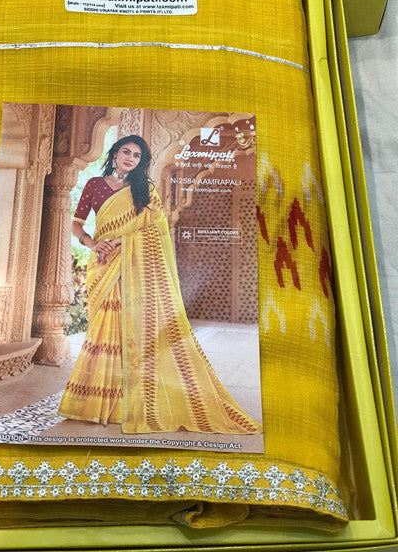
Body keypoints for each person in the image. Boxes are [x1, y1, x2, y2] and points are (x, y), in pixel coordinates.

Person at [58, 135, 262, 435]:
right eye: (126, 152)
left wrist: (120, 240)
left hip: (136, 266)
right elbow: (76, 222)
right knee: (104, 329)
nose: (130, 158)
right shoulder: (94, 185)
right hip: (104, 264)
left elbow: (156, 228)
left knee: (134, 329)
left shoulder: (145, 190)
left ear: (141, 162)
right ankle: (97, 404)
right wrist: (92, 243)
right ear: (114, 154)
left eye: (137, 155)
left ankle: (128, 404)